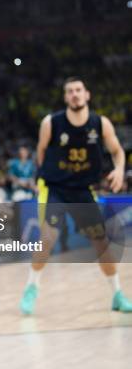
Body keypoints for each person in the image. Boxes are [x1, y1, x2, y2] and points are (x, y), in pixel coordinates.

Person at [20, 76, 132, 315]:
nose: (75, 94)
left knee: (101, 243)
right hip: (55, 188)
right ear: (65, 97)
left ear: (87, 94)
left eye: (79, 90)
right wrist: (41, 179)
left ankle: (117, 294)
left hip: (83, 190)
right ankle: (31, 288)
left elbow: (117, 151)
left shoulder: (101, 124)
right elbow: (40, 151)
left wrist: (120, 169)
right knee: (47, 238)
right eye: (70, 91)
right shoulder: (51, 123)